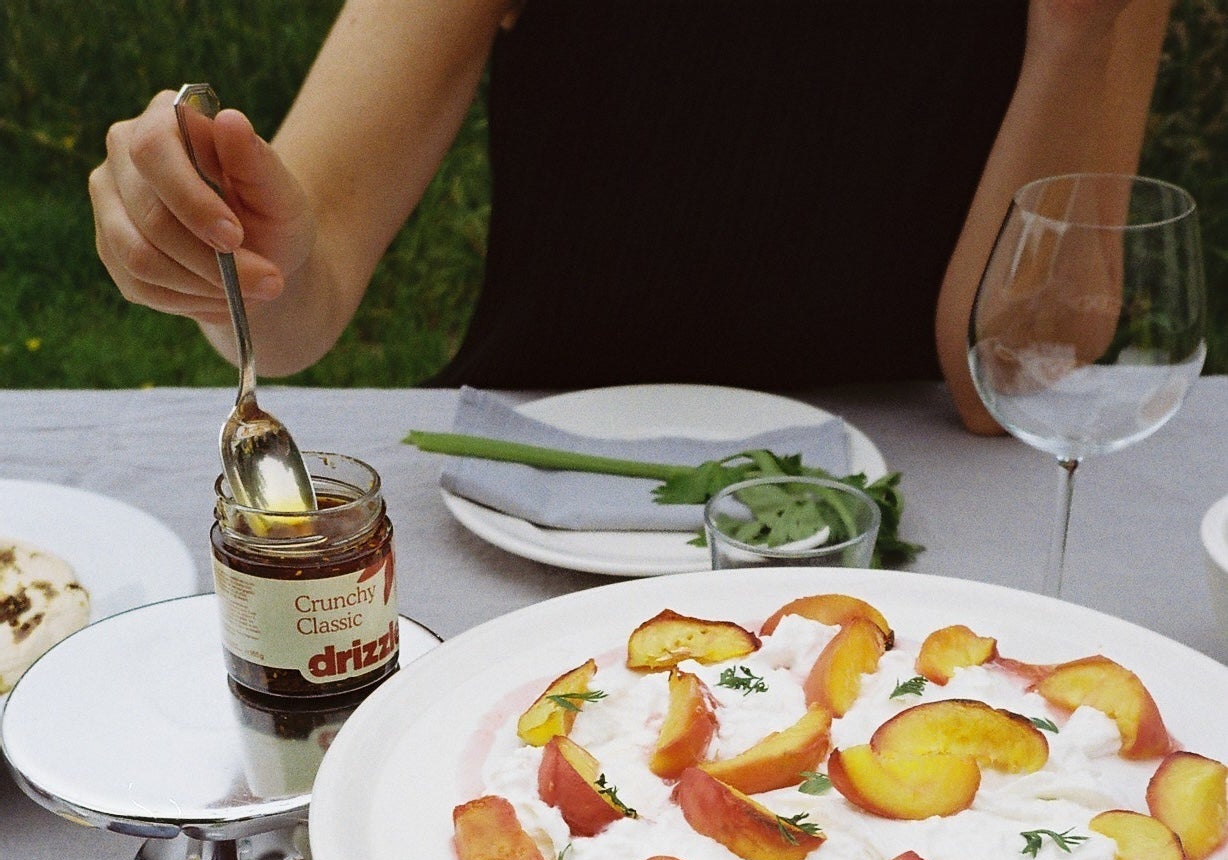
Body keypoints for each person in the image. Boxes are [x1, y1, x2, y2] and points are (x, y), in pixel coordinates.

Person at [88, 0, 1173, 432]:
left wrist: (1081, 36)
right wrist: (225, 255)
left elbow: (1006, 387)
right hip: (529, 492)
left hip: (885, 520)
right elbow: (295, 305)